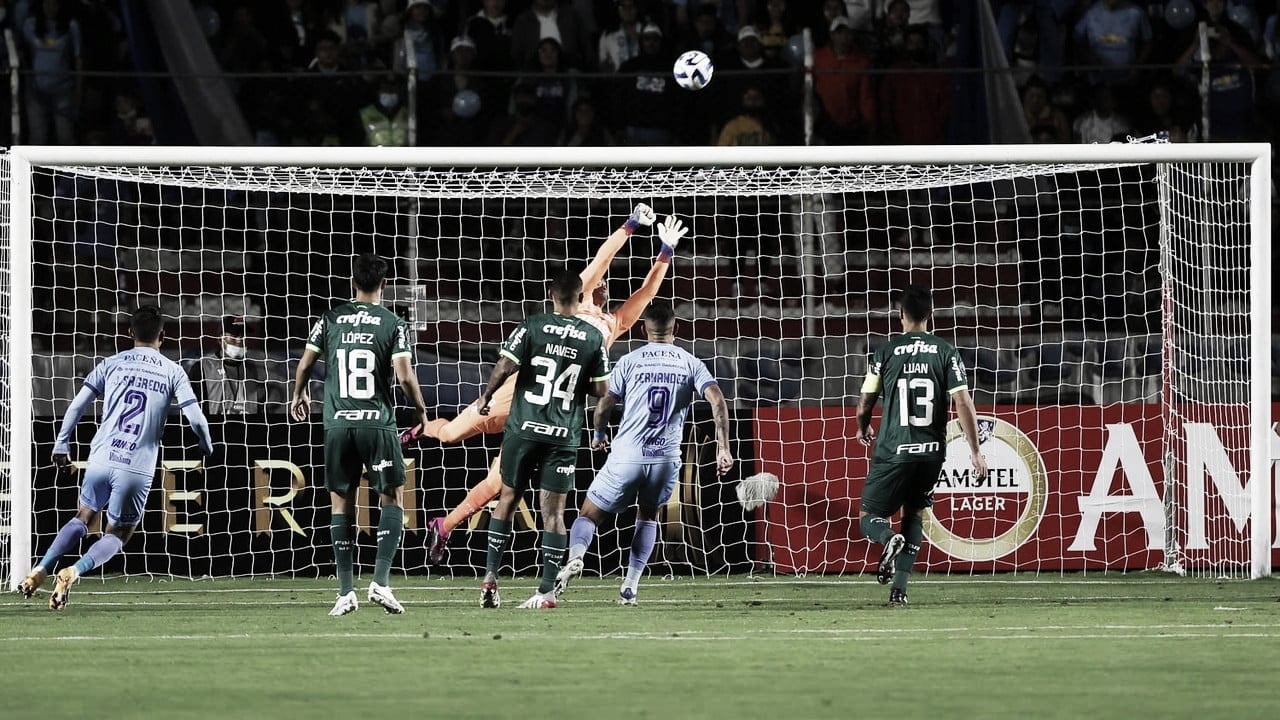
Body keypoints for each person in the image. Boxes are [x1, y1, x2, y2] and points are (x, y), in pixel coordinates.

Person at [405, 204, 689, 564]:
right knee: (449, 435)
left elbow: (646, 294)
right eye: (595, 281)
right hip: (516, 395)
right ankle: (420, 430)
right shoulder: (574, 303)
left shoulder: (612, 324)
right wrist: (629, 226)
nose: (600, 283)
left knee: (499, 484)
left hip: (551, 410)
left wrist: (665, 253)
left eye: (603, 283)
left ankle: (444, 526)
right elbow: (602, 258)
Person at [18, 305, 215, 610]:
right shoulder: (173, 370)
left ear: (129, 333)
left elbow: (77, 405)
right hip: (137, 467)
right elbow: (197, 420)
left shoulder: (111, 363)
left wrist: (61, 444)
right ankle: (73, 571)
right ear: (163, 336)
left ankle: (40, 569)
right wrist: (207, 445)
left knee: (83, 516)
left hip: (101, 457)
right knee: (119, 533)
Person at [553, 302, 733, 605]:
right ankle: (630, 586)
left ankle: (576, 556)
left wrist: (598, 435)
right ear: (675, 328)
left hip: (626, 456)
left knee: (589, 514)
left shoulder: (628, 361)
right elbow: (717, 401)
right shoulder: (691, 363)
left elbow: (604, 406)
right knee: (648, 516)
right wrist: (723, 448)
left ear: (643, 329)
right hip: (664, 459)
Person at [289, 253, 430, 616]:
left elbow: (305, 364)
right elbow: (403, 375)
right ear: (384, 285)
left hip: (337, 423)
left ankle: (345, 591)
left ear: (352, 283)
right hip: (375, 423)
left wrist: (299, 393)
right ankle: (380, 582)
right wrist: (420, 409)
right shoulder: (393, 322)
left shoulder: (331, 318)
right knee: (393, 497)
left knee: (340, 503)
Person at [476, 269, 611, 609]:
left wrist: (486, 397)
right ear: (581, 298)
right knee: (554, 514)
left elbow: (505, 367)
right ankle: (547, 591)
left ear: (550, 295)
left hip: (524, 429)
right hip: (563, 435)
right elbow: (601, 391)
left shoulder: (531, 326)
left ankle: (491, 578)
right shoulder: (592, 336)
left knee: (507, 499)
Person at [855, 285, 988, 607]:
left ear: (900, 315)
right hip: (931, 451)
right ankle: (899, 591)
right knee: (914, 513)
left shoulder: (885, 352)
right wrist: (975, 451)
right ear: (931, 315)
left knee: (868, 516)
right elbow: (964, 403)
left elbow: (864, 404)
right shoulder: (946, 351)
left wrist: (863, 427)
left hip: (893, 449)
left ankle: (888, 538)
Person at [188, 315, 267, 415]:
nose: (239, 339)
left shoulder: (254, 370)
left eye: (243, 334)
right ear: (221, 339)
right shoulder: (202, 368)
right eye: (234, 334)